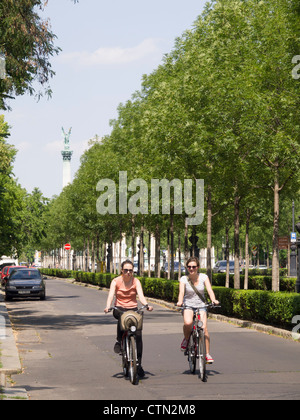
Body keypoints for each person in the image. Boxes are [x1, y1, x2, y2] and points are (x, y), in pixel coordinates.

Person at [104, 259, 153, 377]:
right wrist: (107, 306)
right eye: (126, 270)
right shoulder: (115, 281)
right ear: (121, 271)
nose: (128, 272)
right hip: (119, 308)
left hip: (133, 309)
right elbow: (111, 295)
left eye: (131, 270)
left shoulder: (136, 281)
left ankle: (138, 364)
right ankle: (119, 339)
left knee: (138, 335)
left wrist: (146, 305)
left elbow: (140, 295)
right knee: (121, 316)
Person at [177, 257, 219, 364]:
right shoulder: (183, 279)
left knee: (204, 328)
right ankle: (186, 339)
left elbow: (209, 290)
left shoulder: (204, 277)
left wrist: (213, 300)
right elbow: (181, 293)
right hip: (188, 306)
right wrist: (180, 301)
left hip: (201, 306)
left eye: (194, 267)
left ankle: (207, 354)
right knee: (188, 323)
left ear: (198, 267)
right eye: (189, 267)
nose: (191, 269)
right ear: (187, 268)